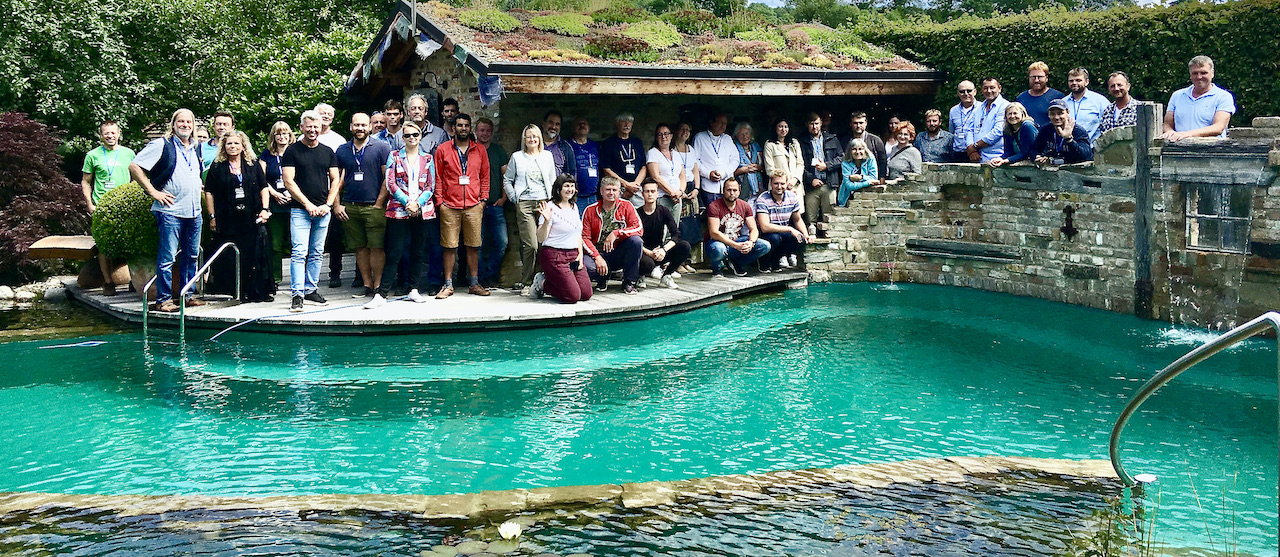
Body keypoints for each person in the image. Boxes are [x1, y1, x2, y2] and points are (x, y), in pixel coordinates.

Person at [127, 108, 206, 313]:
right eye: (181, 121)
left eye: (189, 122)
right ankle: (163, 299)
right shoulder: (162, 144)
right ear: (173, 124)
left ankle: (188, 295)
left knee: (191, 255)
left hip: (194, 210)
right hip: (170, 210)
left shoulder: (197, 147)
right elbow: (134, 166)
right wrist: (153, 191)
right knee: (167, 257)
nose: (185, 125)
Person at [365, 122, 437, 309]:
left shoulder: (428, 158)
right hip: (399, 209)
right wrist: (407, 202)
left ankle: (414, 289)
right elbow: (390, 182)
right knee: (395, 251)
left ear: (420, 136)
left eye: (415, 134)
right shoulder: (394, 156)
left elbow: (431, 185)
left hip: (422, 210)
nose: (412, 138)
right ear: (402, 138)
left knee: (418, 251)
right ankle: (382, 294)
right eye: (408, 135)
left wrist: (418, 203)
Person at [281, 110, 341, 312]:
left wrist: (328, 204)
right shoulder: (292, 151)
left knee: (317, 252)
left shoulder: (327, 151)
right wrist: (307, 204)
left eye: (316, 127)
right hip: (300, 210)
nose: (313, 130)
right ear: (301, 128)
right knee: (299, 252)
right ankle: (297, 294)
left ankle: (310, 289)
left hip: (323, 210)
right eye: (309, 126)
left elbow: (335, 179)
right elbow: (288, 181)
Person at [203, 130, 271, 302]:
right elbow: (209, 191)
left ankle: (253, 291)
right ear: (224, 147)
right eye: (229, 144)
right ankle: (232, 291)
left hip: (250, 217)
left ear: (243, 146)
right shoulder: (217, 166)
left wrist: (265, 209)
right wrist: (212, 216)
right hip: (226, 218)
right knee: (229, 256)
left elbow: (264, 187)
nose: (233, 147)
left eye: (236, 144)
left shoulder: (252, 164)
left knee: (252, 254)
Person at [432, 113, 491, 298]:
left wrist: (483, 200)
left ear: (470, 128)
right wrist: (439, 202)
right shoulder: (443, 149)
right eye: (459, 125)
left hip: (474, 205)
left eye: (466, 125)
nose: (463, 128)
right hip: (449, 205)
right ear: (453, 128)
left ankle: (474, 283)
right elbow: (438, 177)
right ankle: (448, 285)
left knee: (473, 245)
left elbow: (485, 176)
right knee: (449, 246)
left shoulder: (479, 149)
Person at [334, 113, 392, 297]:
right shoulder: (342, 150)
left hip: (373, 206)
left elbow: (387, 178)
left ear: (369, 127)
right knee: (359, 247)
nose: (360, 128)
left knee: (377, 247)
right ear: (351, 126)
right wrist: (337, 205)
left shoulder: (382, 148)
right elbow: (336, 180)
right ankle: (366, 284)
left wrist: (379, 203)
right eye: (356, 125)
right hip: (350, 206)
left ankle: (378, 285)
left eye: (363, 125)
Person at [81, 120, 135, 296]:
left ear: (119, 134)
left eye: (113, 133)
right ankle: (108, 282)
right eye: (107, 133)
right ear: (101, 136)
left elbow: (136, 179)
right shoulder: (93, 155)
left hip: (124, 206)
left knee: (130, 244)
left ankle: (134, 280)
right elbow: (86, 181)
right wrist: (90, 204)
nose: (110, 136)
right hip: (101, 207)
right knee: (103, 246)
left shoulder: (129, 154)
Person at [504, 123, 556, 293]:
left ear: (540, 138)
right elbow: (507, 179)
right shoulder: (517, 157)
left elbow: (552, 179)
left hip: (543, 201)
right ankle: (526, 281)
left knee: (543, 244)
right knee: (531, 245)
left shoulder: (547, 156)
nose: (532, 139)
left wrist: (553, 201)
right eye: (529, 137)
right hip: (525, 202)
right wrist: (514, 198)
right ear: (524, 139)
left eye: (535, 136)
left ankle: (540, 280)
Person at [531, 174, 592, 303]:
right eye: (566, 186)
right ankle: (542, 283)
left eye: (572, 186)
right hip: (555, 255)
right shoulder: (549, 207)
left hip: (574, 254)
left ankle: (560, 282)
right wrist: (547, 222)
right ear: (558, 189)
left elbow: (577, 234)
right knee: (573, 296)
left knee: (586, 294)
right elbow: (541, 238)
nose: (570, 189)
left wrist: (580, 255)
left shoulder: (574, 206)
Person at [581, 177, 643, 293]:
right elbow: (584, 238)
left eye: (614, 190)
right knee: (586, 267)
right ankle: (603, 277)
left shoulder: (627, 206)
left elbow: (638, 228)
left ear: (619, 192)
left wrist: (617, 233)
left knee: (636, 241)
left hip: (617, 253)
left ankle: (629, 282)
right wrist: (597, 256)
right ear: (601, 191)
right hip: (596, 254)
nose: (611, 193)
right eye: (607, 189)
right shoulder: (590, 210)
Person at [1162, 55, 1235, 141]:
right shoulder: (1177, 96)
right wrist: (1170, 132)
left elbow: (1218, 127)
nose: (1199, 77)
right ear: (1190, 75)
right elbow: (1167, 124)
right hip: (1179, 150)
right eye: (1195, 73)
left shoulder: (1223, 97)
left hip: (1212, 151)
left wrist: (1187, 134)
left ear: (1212, 73)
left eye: (1204, 73)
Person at [706, 178, 769, 277]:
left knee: (765, 245)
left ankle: (737, 263)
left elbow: (753, 229)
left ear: (739, 191)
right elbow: (714, 233)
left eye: (734, 190)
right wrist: (736, 245)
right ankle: (717, 270)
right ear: (723, 191)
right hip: (718, 242)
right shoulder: (714, 206)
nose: (732, 193)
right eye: (729, 190)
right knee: (719, 249)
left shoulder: (745, 206)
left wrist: (751, 242)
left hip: (737, 239)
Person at [637, 181, 690, 289]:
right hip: (643, 253)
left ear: (657, 194)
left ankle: (666, 276)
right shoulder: (637, 213)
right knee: (647, 264)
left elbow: (676, 234)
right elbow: (633, 238)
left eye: (653, 191)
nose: (650, 194)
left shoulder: (663, 211)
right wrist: (649, 253)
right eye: (647, 191)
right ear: (642, 194)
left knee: (684, 246)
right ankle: (639, 276)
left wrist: (664, 250)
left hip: (659, 252)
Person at [475, 117, 508, 288]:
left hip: (495, 205)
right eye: (482, 130)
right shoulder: (471, 150)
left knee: (502, 242)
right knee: (477, 244)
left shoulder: (498, 151)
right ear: (476, 131)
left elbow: (506, 176)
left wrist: (503, 198)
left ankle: (490, 274)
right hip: (476, 206)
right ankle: (479, 278)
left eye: (488, 130)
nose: (485, 133)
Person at [755, 171, 809, 272]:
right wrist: (789, 229)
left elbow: (797, 220)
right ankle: (764, 261)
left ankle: (776, 258)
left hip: (782, 231)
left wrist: (806, 235)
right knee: (775, 238)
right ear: (771, 184)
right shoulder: (763, 199)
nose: (779, 187)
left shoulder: (792, 197)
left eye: (782, 183)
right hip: (766, 233)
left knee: (799, 239)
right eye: (776, 183)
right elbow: (765, 227)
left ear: (786, 183)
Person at [798, 112, 841, 226]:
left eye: (816, 123)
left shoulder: (832, 139)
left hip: (829, 182)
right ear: (807, 124)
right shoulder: (801, 142)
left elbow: (842, 158)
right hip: (811, 185)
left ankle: (829, 238)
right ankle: (812, 238)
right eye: (811, 124)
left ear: (821, 123)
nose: (814, 126)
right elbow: (798, 164)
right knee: (810, 218)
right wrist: (810, 179)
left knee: (829, 216)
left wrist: (827, 165)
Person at [600, 112, 648, 208]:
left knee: (640, 218)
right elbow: (606, 169)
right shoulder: (609, 143)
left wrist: (635, 186)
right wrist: (626, 185)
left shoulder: (637, 142)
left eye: (629, 122)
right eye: (623, 122)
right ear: (617, 124)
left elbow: (644, 166)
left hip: (636, 189)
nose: (627, 125)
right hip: (617, 188)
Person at [693, 113, 739, 207]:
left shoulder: (728, 139)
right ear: (712, 123)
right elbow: (695, 161)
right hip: (709, 186)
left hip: (727, 187)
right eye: (720, 123)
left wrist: (724, 172)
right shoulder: (700, 138)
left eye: (725, 124)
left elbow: (735, 159)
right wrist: (708, 173)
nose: (723, 126)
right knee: (712, 216)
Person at [1031, 99, 1094, 166]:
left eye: (1060, 113)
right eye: (1052, 114)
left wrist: (1069, 139)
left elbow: (1086, 156)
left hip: (1077, 169)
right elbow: (1034, 149)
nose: (1056, 117)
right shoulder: (1046, 129)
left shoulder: (1078, 131)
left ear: (1067, 112)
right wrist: (1038, 157)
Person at [645, 123, 686, 216]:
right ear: (656, 137)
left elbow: (682, 176)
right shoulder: (653, 153)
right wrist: (672, 193)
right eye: (660, 134)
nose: (663, 137)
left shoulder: (676, 154)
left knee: (674, 228)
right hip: (663, 197)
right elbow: (655, 176)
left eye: (666, 133)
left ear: (671, 136)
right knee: (663, 228)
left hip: (677, 198)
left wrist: (680, 192)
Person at [966, 77, 1010, 163]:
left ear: (999, 88)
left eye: (992, 87)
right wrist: (971, 149)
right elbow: (969, 130)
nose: (989, 91)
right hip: (978, 157)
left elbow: (998, 130)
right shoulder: (978, 108)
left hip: (997, 158)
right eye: (985, 88)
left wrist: (975, 146)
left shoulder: (1005, 106)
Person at [1064, 67, 1109, 143]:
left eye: (1078, 80)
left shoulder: (1100, 101)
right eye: (1071, 81)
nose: (1074, 83)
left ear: (1086, 82)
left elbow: (1108, 127)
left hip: (1093, 149)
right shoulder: (1063, 102)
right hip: (1068, 148)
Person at [987, 103, 1039, 167]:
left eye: (1015, 113)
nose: (1012, 116)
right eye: (1009, 114)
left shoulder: (1028, 127)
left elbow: (1026, 152)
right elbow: (1008, 152)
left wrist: (1006, 161)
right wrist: (999, 159)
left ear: (1022, 114)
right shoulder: (1007, 129)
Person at [1016, 61, 1066, 127]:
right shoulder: (1021, 98)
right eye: (1033, 77)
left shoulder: (1058, 97)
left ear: (1046, 78)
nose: (1036, 80)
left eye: (1040, 77)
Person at [568, 117, 601, 214]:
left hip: (593, 196)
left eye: (584, 124)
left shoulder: (595, 145)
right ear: (573, 128)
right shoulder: (568, 145)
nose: (582, 126)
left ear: (589, 128)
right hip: (576, 196)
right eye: (579, 124)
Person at [842, 112, 887, 180]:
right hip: (850, 181)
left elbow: (882, 161)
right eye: (855, 123)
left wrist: (882, 177)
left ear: (866, 123)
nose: (858, 126)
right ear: (850, 124)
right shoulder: (845, 141)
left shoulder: (875, 140)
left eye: (861, 123)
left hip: (871, 180)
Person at [763, 117, 803, 192]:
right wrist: (785, 183)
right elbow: (770, 169)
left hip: (795, 186)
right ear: (775, 128)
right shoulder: (769, 144)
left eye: (786, 127)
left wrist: (794, 180)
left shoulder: (794, 143)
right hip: (778, 186)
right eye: (780, 126)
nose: (783, 129)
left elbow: (800, 164)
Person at [838, 139, 877, 207]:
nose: (857, 152)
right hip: (846, 199)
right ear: (850, 151)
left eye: (860, 149)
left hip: (867, 198)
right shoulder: (845, 162)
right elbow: (849, 186)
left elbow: (874, 178)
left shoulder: (870, 158)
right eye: (854, 149)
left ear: (865, 150)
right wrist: (867, 182)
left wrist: (861, 177)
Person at [1099, 71, 1139, 135]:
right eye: (1112, 86)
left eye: (1119, 85)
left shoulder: (1138, 109)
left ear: (1128, 86)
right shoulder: (1107, 111)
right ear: (1109, 89)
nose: (1116, 88)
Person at [949, 80, 980, 162]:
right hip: (958, 153)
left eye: (969, 91)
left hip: (976, 153)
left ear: (975, 92)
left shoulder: (982, 108)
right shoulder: (953, 111)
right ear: (958, 93)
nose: (966, 94)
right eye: (962, 91)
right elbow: (951, 132)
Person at [542, 110, 578, 179]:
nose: (553, 127)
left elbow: (571, 174)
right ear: (543, 124)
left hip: (558, 188)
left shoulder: (566, 147)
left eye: (557, 124)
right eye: (551, 123)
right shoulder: (533, 144)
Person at [732, 122, 764, 199]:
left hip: (759, 187)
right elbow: (730, 172)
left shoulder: (756, 147)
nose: (745, 136)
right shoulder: (733, 148)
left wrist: (759, 168)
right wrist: (743, 170)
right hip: (742, 188)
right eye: (741, 134)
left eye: (746, 133)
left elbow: (764, 166)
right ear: (736, 136)